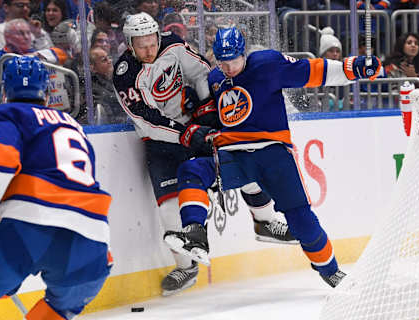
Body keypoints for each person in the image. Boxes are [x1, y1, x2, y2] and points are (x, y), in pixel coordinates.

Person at [163, 27, 382, 288]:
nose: (229, 67)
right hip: (234, 156)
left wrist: (352, 69)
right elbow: (215, 116)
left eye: (233, 60)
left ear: (244, 54)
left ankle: (331, 271)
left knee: (301, 221)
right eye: (223, 62)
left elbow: (312, 70)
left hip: (273, 154)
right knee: (192, 170)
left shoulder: (267, 64)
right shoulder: (215, 78)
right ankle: (195, 233)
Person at [113, 12, 296, 297]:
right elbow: (147, 119)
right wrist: (185, 133)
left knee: (240, 163)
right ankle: (186, 268)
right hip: (160, 141)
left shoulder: (172, 45)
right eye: (142, 45)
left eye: (152, 43)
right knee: (167, 211)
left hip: (194, 127)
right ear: (129, 45)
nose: (149, 50)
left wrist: (206, 107)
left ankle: (264, 220)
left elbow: (199, 73)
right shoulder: (125, 75)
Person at [0, 56, 112, 319]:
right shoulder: (74, 125)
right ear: (46, 93)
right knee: (57, 310)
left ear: (4, 92)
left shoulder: (6, 113)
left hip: (29, 231)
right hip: (93, 242)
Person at [89, 46, 127, 124]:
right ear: (93, 68)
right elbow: (108, 117)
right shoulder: (93, 89)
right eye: (104, 60)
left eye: (109, 57)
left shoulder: (116, 80)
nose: (109, 61)